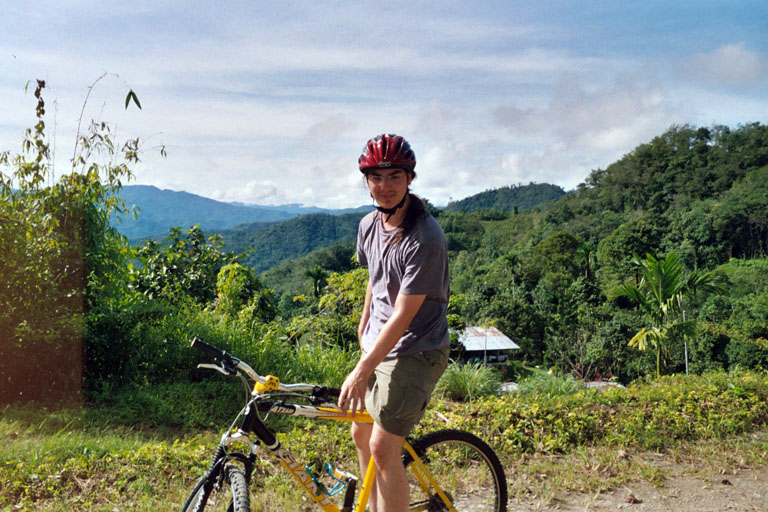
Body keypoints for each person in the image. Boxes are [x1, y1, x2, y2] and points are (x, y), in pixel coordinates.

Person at [337, 134, 450, 512]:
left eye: (395, 177)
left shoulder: (425, 237)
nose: (384, 187)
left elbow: (405, 312)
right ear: (366, 180)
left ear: (410, 179)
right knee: (360, 431)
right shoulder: (369, 224)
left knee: (383, 449)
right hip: (381, 342)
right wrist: (364, 320)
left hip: (418, 348)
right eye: (376, 178)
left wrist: (361, 368)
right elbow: (376, 277)